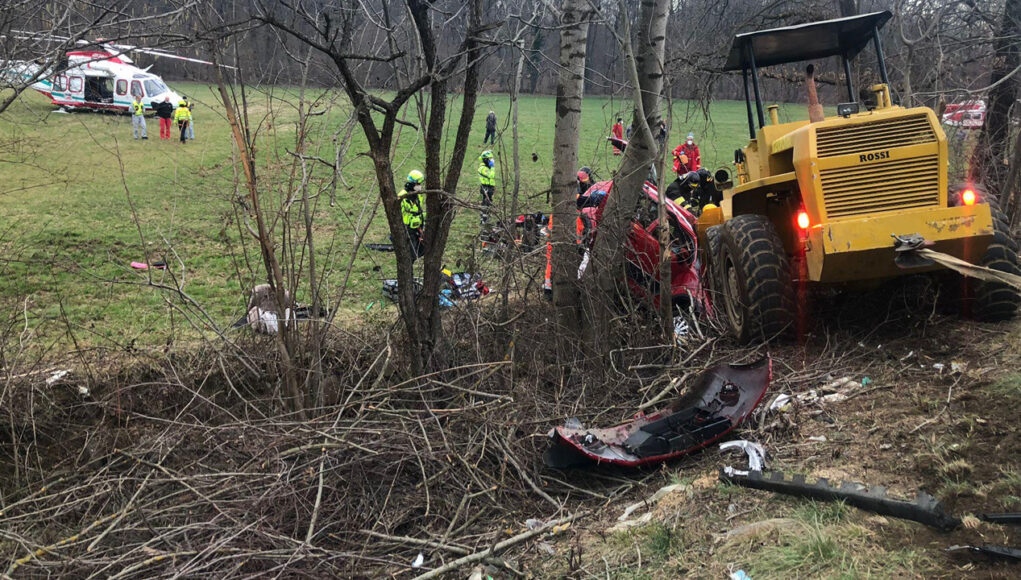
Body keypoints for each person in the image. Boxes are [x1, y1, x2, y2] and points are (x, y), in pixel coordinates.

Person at [399, 170, 427, 260]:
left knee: (422, 249)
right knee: (411, 255)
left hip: (417, 227)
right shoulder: (402, 196)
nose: (419, 186)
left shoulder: (418, 195)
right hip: (407, 229)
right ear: (412, 184)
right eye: (418, 184)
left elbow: (418, 211)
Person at [478, 150, 496, 224]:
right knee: (486, 203)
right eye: (489, 159)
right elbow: (491, 175)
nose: (491, 160)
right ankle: (484, 220)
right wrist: (492, 167)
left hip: (489, 187)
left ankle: (484, 218)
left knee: (488, 202)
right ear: (485, 159)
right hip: (485, 187)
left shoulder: (486, 167)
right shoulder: (483, 168)